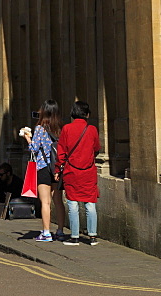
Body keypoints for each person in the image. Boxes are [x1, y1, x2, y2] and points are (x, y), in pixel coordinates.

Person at [55, 100, 101, 246]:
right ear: (87, 114)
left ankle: (74, 236)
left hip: (71, 172)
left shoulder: (67, 129)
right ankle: (92, 236)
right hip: (88, 172)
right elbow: (96, 148)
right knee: (90, 203)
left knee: (73, 203)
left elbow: (61, 152)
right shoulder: (92, 129)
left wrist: (57, 170)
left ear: (73, 113)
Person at [23, 99, 66, 242]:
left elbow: (34, 149)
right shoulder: (61, 128)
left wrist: (27, 138)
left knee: (45, 202)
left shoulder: (40, 129)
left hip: (43, 168)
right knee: (58, 201)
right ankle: (60, 231)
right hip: (57, 168)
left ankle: (46, 233)